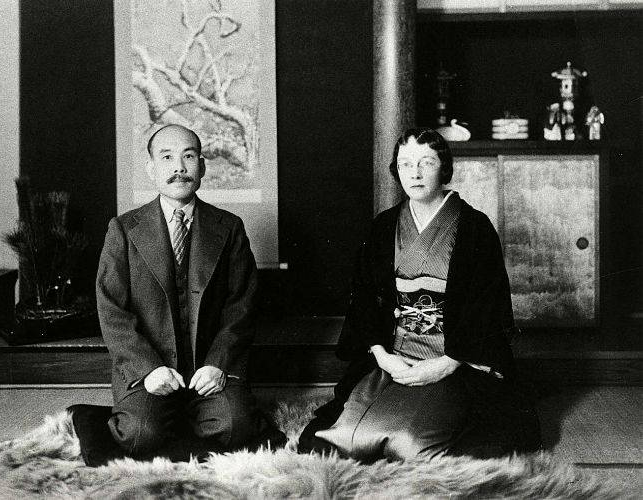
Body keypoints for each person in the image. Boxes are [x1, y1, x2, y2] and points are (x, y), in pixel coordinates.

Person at [298, 128, 541, 461]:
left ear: (444, 168)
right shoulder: (384, 226)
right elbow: (364, 299)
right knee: (338, 440)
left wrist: (446, 364)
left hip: (454, 359)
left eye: (426, 162)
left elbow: (487, 307)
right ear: (396, 171)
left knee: (411, 445)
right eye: (405, 163)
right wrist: (382, 356)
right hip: (395, 356)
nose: (414, 173)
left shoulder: (474, 227)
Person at [72, 124, 283, 466]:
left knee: (236, 429)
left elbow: (241, 306)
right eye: (166, 157)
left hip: (208, 367)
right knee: (139, 435)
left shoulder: (229, 227)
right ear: (151, 168)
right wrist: (149, 369)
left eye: (188, 157)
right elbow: (112, 312)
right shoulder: (124, 229)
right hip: (150, 370)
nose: (178, 168)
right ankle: (145, 414)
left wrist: (218, 364)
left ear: (202, 166)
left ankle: (195, 411)